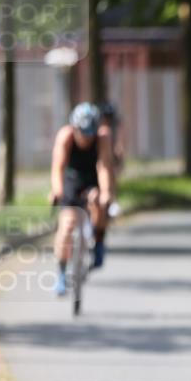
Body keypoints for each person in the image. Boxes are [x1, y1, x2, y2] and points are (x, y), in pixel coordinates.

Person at [49, 102, 115, 295]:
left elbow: (104, 167)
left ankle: (99, 241)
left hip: (93, 178)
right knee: (67, 225)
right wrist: (57, 191)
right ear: (75, 127)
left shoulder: (103, 137)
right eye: (82, 133)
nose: (86, 138)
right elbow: (57, 167)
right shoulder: (66, 136)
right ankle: (62, 272)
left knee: (99, 203)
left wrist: (106, 192)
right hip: (72, 179)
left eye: (90, 133)